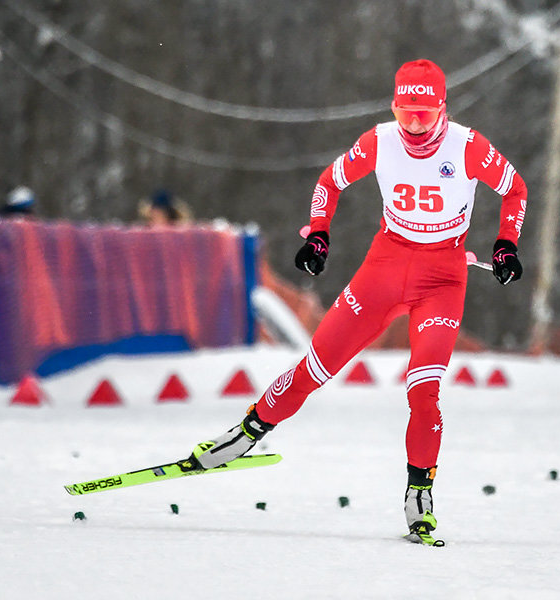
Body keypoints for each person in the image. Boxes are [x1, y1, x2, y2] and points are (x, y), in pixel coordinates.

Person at [189, 59, 527, 543]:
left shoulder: (469, 147)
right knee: (315, 365)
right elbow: (330, 182)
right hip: (385, 268)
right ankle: (246, 434)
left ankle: (419, 496)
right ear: (393, 107)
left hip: (442, 279)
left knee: (423, 390)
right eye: (405, 113)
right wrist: (318, 236)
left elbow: (515, 190)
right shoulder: (379, 141)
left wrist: (505, 244)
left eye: (424, 116)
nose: (413, 126)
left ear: (443, 111)